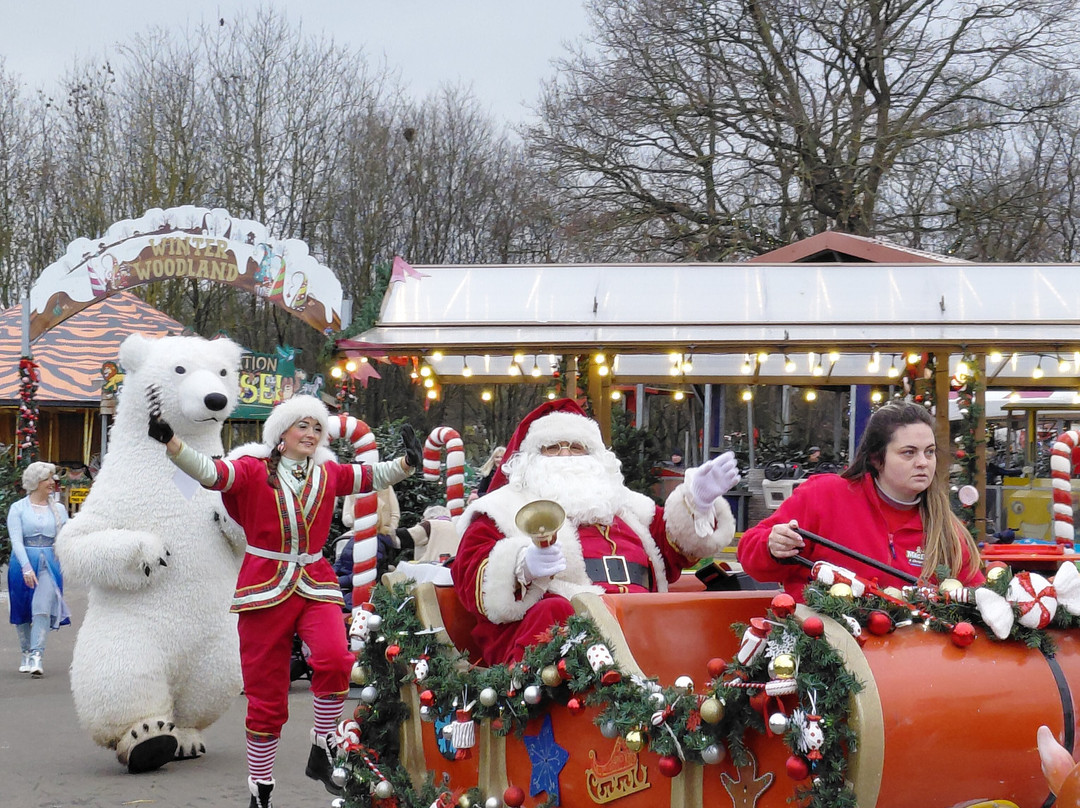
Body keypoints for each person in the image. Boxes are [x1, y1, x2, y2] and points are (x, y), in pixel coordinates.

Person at [148, 394, 422, 808]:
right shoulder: (252, 468)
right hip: (262, 588)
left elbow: (370, 476)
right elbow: (211, 473)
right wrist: (172, 443)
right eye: (303, 425)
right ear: (282, 433)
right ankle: (261, 789)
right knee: (266, 697)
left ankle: (322, 745)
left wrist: (407, 463)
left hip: (314, 581)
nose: (311, 433)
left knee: (335, 659)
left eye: (318, 427)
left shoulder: (328, 472)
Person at [451, 398, 740, 665]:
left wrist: (697, 504)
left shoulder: (627, 506)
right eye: (552, 448)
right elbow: (469, 571)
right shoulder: (501, 508)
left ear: (596, 456)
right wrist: (521, 567)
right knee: (554, 615)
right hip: (569, 640)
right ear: (530, 458)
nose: (566, 455)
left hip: (646, 627)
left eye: (577, 447)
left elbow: (676, 548)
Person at [738, 401, 984, 599]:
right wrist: (772, 546)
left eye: (929, 452)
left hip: (914, 644)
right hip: (822, 640)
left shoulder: (947, 530)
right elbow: (750, 555)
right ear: (876, 458)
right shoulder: (824, 495)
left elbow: (979, 595)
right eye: (908, 453)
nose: (923, 462)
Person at [7, 462, 69, 677]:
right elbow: (16, 541)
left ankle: (36, 655)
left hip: (49, 565)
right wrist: (26, 567)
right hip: (22, 563)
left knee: (41, 607)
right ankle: (25, 652)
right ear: (36, 482)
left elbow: (66, 538)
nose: (52, 482)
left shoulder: (59, 509)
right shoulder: (18, 509)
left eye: (52, 478)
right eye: (47, 479)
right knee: (23, 609)